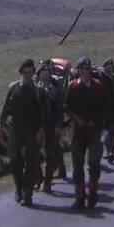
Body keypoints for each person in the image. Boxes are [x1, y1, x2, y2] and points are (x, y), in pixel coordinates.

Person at [63, 56, 112, 209]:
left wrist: (94, 120)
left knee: (94, 162)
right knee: (77, 165)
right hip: (78, 131)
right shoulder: (72, 86)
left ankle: (92, 193)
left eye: (87, 69)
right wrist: (76, 118)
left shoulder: (98, 86)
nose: (85, 72)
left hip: (95, 130)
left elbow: (105, 107)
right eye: (82, 69)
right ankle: (79, 197)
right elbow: (66, 106)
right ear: (78, 71)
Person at [0, 58, 47, 207]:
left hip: (33, 131)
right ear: (21, 73)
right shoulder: (13, 88)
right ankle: (19, 186)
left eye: (30, 73)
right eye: (25, 73)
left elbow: (45, 114)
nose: (27, 75)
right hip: (16, 130)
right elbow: (5, 109)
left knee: (32, 163)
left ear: (33, 73)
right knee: (14, 161)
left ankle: (28, 193)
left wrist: (41, 131)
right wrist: (0, 126)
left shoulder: (39, 91)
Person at [35, 61, 65, 193]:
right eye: (43, 74)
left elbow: (59, 109)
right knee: (33, 155)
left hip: (51, 127)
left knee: (49, 155)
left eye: (47, 74)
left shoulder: (54, 90)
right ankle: (38, 179)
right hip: (36, 128)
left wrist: (59, 125)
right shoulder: (33, 89)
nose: (45, 77)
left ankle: (47, 181)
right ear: (38, 76)